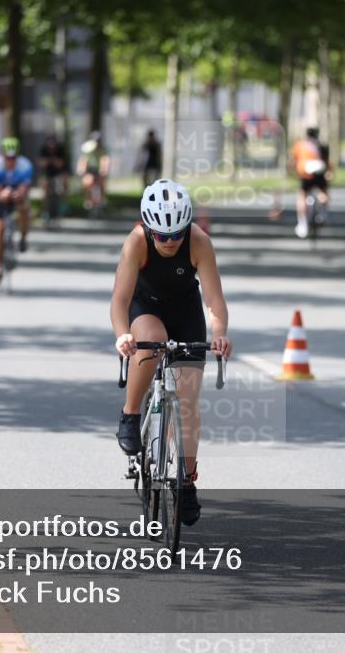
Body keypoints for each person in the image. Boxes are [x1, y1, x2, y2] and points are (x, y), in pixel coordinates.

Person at [111, 178, 232, 526]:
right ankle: (131, 413)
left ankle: (186, 481)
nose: (169, 241)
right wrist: (122, 335)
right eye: (161, 236)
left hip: (185, 311)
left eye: (176, 234)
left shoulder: (198, 242)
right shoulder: (136, 242)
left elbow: (214, 301)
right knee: (151, 339)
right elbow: (119, 299)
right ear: (149, 229)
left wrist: (220, 335)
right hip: (144, 307)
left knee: (189, 400)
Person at [0, 137, 33, 286]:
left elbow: (25, 187)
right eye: (7, 158)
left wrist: (18, 194)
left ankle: (24, 237)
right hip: (0, 196)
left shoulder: (25, 166)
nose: (10, 161)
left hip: (17, 193)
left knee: (24, 209)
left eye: (13, 158)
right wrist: (2, 195)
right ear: (2, 156)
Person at [290, 127, 332, 238]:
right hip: (320, 171)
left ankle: (302, 224)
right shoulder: (322, 145)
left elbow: (293, 161)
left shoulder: (300, 145)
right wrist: (329, 173)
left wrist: (294, 171)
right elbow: (327, 162)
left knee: (302, 195)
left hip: (305, 173)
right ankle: (323, 214)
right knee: (323, 192)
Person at [76, 131, 111, 214]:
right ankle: (88, 199)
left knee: (102, 182)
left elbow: (105, 160)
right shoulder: (88, 149)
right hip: (90, 169)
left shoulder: (104, 149)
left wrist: (104, 170)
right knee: (87, 182)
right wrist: (81, 169)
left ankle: (102, 198)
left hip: (99, 170)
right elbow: (83, 160)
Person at [38, 134, 68, 225]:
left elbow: (60, 164)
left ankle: (61, 209)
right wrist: (51, 161)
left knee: (62, 188)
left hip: (58, 173)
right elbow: (42, 163)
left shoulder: (60, 150)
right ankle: (45, 212)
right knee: (45, 191)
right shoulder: (43, 150)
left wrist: (51, 160)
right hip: (47, 174)